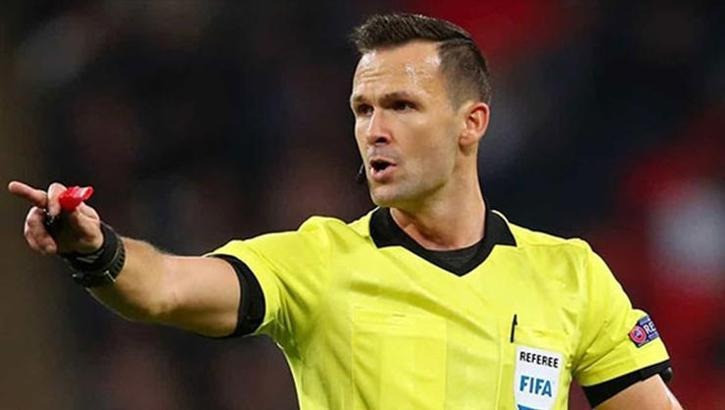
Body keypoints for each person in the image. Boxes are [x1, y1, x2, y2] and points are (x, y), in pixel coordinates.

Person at [9, 13, 681, 410]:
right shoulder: (316, 263)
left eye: (401, 106)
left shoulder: (570, 275)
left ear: (470, 122)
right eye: (363, 110)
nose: (373, 131)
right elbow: (163, 287)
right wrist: (95, 249)